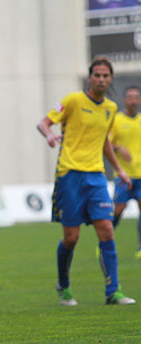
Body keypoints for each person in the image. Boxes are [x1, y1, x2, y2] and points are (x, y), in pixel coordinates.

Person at [36, 57, 136, 306]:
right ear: (90, 78)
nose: (101, 79)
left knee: (107, 229)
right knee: (71, 237)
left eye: (106, 75)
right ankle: (64, 285)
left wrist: (119, 170)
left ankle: (113, 291)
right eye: (97, 75)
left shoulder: (110, 108)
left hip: (96, 177)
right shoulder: (73, 101)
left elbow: (104, 141)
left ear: (110, 79)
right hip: (69, 174)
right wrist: (49, 136)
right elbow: (43, 122)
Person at [109, 86, 141, 257]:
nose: (133, 100)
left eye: (136, 97)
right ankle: (105, 241)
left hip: (140, 174)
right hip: (123, 175)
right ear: (124, 100)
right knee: (118, 210)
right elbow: (106, 144)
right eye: (130, 97)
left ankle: (140, 246)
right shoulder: (117, 120)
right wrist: (119, 148)